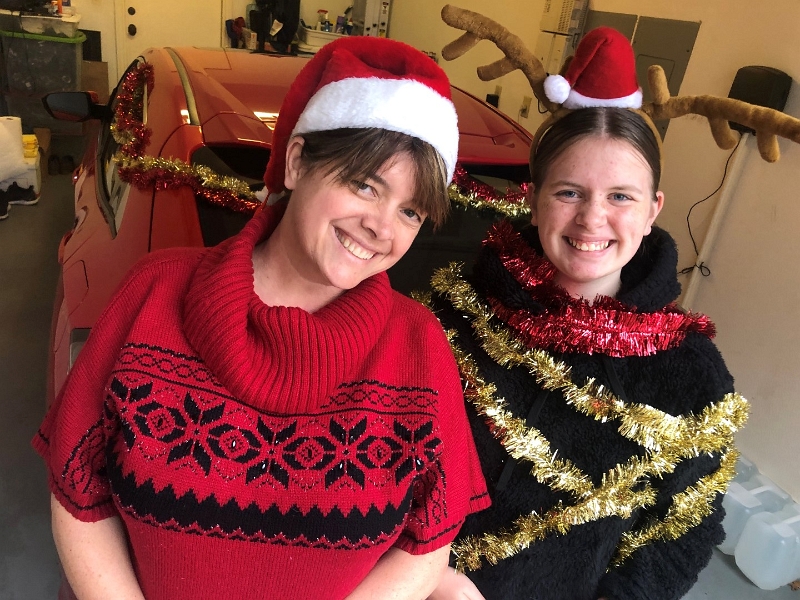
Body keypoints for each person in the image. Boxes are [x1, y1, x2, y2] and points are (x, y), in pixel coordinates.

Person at [34, 36, 490, 600]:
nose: (382, 227)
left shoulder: (418, 346)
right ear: (296, 162)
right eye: (364, 184)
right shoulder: (156, 294)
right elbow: (78, 488)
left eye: (411, 211)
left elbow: (428, 538)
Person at [427, 26, 747, 600]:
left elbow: (684, 533)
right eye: (569, 192)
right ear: (534, 199)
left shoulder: (689, 374)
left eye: (621, 196)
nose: (592, 219)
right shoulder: (455, 313)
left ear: (653, 210)